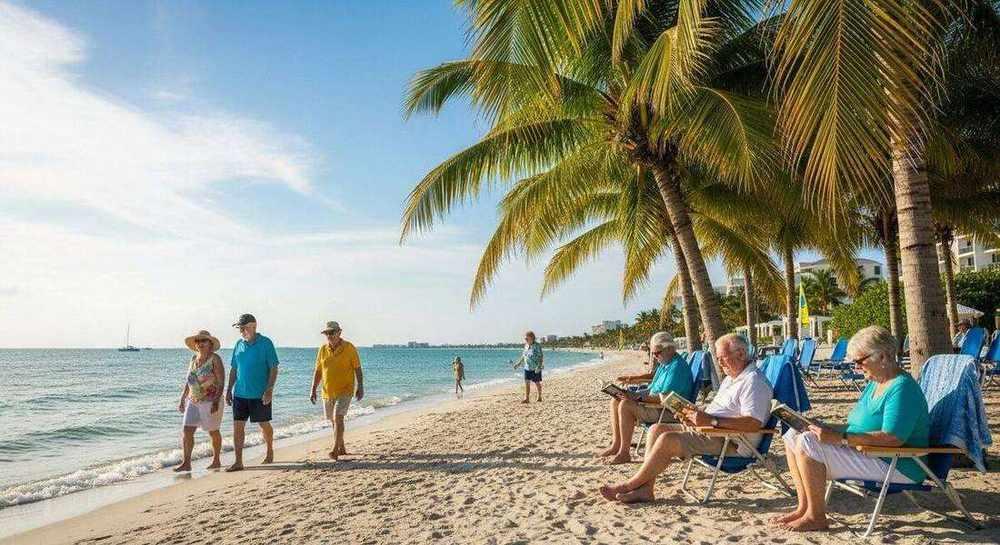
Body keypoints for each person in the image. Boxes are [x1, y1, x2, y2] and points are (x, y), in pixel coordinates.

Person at [772, 325, 929, 532]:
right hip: (870, 453)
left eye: (859, 361)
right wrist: (824, 428)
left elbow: (893, 438)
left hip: (898, 462)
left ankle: (816, 516)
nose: (856, 367)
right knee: (793, 434)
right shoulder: (876, 383)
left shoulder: (901, 388)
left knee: (807, 442)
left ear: (882, 357)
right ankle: (804, 507)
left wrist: (841, 438)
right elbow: (858, 426)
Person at [598, 333, 772, 503]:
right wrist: (694, 414)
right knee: (656, 429)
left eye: (721, 358)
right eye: (717, 359)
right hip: (713, 432)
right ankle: (646, 489)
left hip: (731, 442)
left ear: (740, 354)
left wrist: (712, 421)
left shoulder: (753, 382)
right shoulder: (732, 378)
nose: (719, 364)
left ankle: (629, 485)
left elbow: (753, 423)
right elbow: (722, 410)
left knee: (668, 439)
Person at [598, 332, 693, 464]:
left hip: (670, 411)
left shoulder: (676, 368)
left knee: (625, 405)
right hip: (657, 406)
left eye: (657, 353)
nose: (654, 356)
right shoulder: (666, 364)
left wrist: (637, 398)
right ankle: (616, 445)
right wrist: (631, 389)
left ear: (670, 348)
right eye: (653, 353)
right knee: (616, 400)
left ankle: (624, 453)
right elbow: (653, 386)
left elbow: (665, 398)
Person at [225, 314, 279, 472]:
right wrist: (228, 390)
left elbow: (274, 368)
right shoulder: (238, 344)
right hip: (240, 394)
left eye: (244, 327)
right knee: (237, 427)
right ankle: (238, 461)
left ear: (254, 326)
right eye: (239, 328)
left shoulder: (266, 343)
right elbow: (234, 369)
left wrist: (269, 390)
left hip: (259, 394)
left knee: (264, 425)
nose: (241, 331)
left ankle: (269, 450)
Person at [310, 321, 364, 459]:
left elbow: (357, 368)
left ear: (339, 332)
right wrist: (313, 389)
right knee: (334, 421)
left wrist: (360, 386)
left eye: (332, 332)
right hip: (327, 391)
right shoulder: (322, 349)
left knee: (338, 418)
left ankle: (334, 450)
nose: (329, 335)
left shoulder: (349, 348)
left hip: (345, 390)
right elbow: (318, 370)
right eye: (327, 333)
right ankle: (342, 448)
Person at [174, 330, 225, 472]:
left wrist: (216, 401)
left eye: (204, 341)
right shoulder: (193, 359)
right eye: (198, 341)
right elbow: (189, 380)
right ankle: (186, 463)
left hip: (211, 400)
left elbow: (221, 382)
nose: (200, 344)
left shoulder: (215, 359)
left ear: (210, 343)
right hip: (193, 399)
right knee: (187, 429)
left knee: (213, 431)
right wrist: (182, 398)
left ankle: (216, 461)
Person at [512, 331, 543, 403]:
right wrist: (518, 364)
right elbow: (523, 356)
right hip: (527, 367)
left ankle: (539, 396)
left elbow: (541, 356)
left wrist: (539, 366)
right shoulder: (526, 345)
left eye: (527, 337)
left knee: (537, 382)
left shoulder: (537, 345)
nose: (525, 339)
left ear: (532, 337)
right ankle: (527, 398)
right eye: (525, 338)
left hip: (535, 367)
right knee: (527, 383)